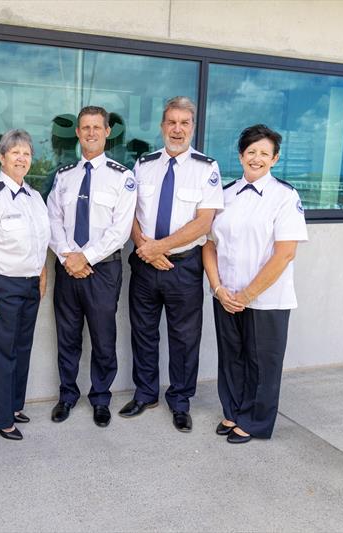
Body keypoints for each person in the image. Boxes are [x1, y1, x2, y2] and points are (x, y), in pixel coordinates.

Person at [203, 124, 308, 444]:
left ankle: (256, 421)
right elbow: (209, 244)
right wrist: (219, 288)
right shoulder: (225, 194)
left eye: (264, 153)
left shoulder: (285, 197)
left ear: (275, 159)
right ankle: (234, 411)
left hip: (266, 299)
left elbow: (285, 252)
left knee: (262, 363)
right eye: (251, 152)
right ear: (241, 155)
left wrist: (248, 294)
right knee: (231, 357)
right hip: (226, 295)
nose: (257, 158)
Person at [125, 96, 223, 432]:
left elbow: (204, 222)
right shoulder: (144, 164)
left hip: (183, 267)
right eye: (171, 122)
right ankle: (145, 393)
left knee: (184, 338)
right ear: (162, 126)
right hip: (144, 264)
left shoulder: (207, 168)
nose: (177, 129)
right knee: (143, 333)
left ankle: (180, 401)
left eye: (184, 123)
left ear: (192, 127)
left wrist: (160, 247)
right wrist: (143, 246)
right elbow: (130, 213)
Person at [47, 105, 137, 428]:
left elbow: (120, 231)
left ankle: (101, 398)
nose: (91, 133)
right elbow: (52, 219)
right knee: (67, 336)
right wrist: (68, 256)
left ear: (107, 131)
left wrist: (84, 257)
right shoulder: (64, 175)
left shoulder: (123, 177)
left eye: (97, 127)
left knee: (103, 337)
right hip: (67, 268)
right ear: (78, 132)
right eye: (85, 127)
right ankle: (67, 395)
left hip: (103, 270)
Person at [0, 129, 50, 441]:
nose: (21, 158)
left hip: (29, 286)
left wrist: (41, 276)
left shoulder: (34, 197)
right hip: (1, 286)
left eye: (26, 153)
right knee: (2, 352)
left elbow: (40, 241)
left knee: (22, 348)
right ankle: (1, 419)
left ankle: (15, 405)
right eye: (15, 152)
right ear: (2, 158)